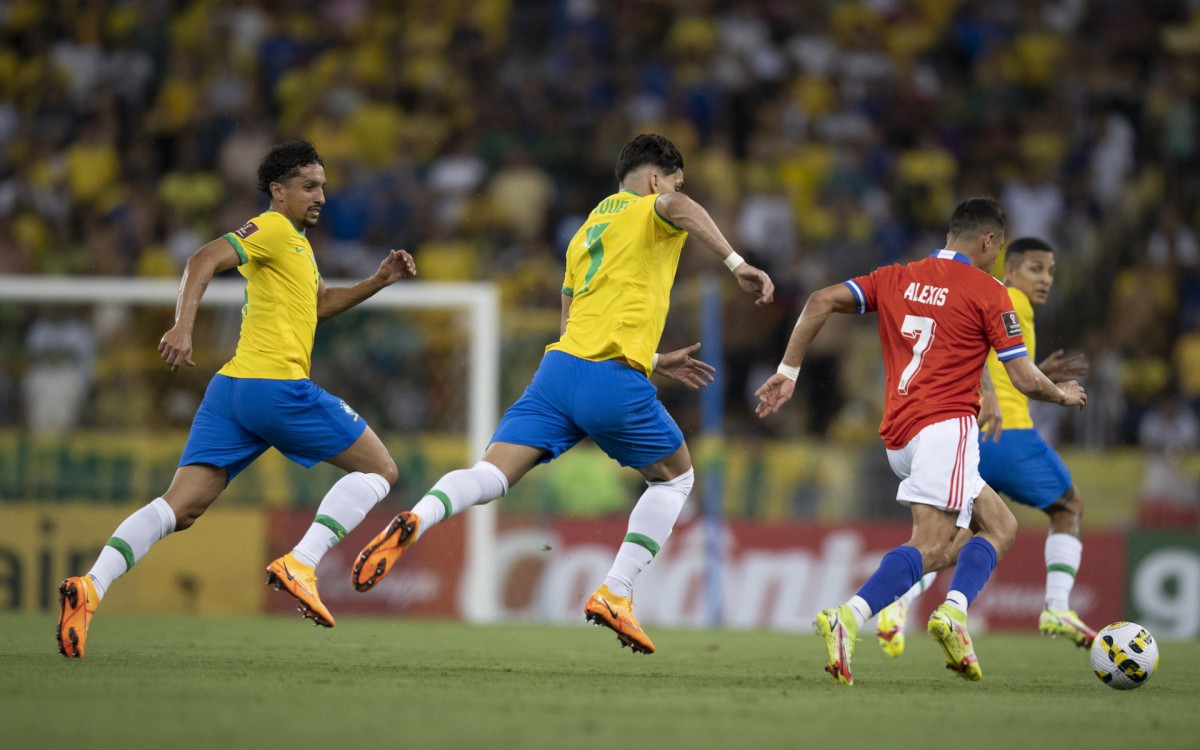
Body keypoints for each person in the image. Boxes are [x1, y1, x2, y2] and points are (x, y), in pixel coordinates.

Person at [350, 133, 774, 654]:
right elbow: (678, 207)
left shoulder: (582, 233)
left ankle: (419, 515)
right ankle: (616, 592)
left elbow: (571, 319)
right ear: (656, 178)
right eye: (674, 181)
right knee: (675, 480)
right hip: (610, 380)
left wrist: (656, 359)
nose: (676, 192)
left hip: (558, 371)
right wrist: (738, 264)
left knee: (491, 473)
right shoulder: (653, 206)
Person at [56, 141, 417, 659]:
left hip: (232, 392)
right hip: (276, 388)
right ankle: (303, 561)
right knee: (381, 471)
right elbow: (203, 257)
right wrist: (183, 325)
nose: (320, 197)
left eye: (322, 187)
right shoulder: (270, 228)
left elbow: (316, 306)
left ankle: (90, 587)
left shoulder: (295, 244)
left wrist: (379, 281)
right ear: (278, 191)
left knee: (179, 508)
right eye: (308, 187)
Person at [754, 198, 1086, 685]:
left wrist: (787, 371)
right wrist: (1061, 393)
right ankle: (848, 617)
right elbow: (1024, 379)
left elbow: (820, 299)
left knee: (1000, 524)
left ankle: (952, 612)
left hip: (899, 433)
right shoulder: (988, 290)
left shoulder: (896, 276)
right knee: (931, 546)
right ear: (989, 242)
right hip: (945, 427)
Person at [874, 237, 1097, 658]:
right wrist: (993, 389)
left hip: (967, 439)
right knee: (1067, 506)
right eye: (1035, 268)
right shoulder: (1003, 297)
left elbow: (984, 354)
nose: (1045, 279)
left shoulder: (990, 296)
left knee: (958, 538)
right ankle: (1056, 608)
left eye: (1050, 271)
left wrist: (1035, 370)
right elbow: (968, 350)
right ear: (1008, 270)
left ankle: (898, 602)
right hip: (1009, 436)